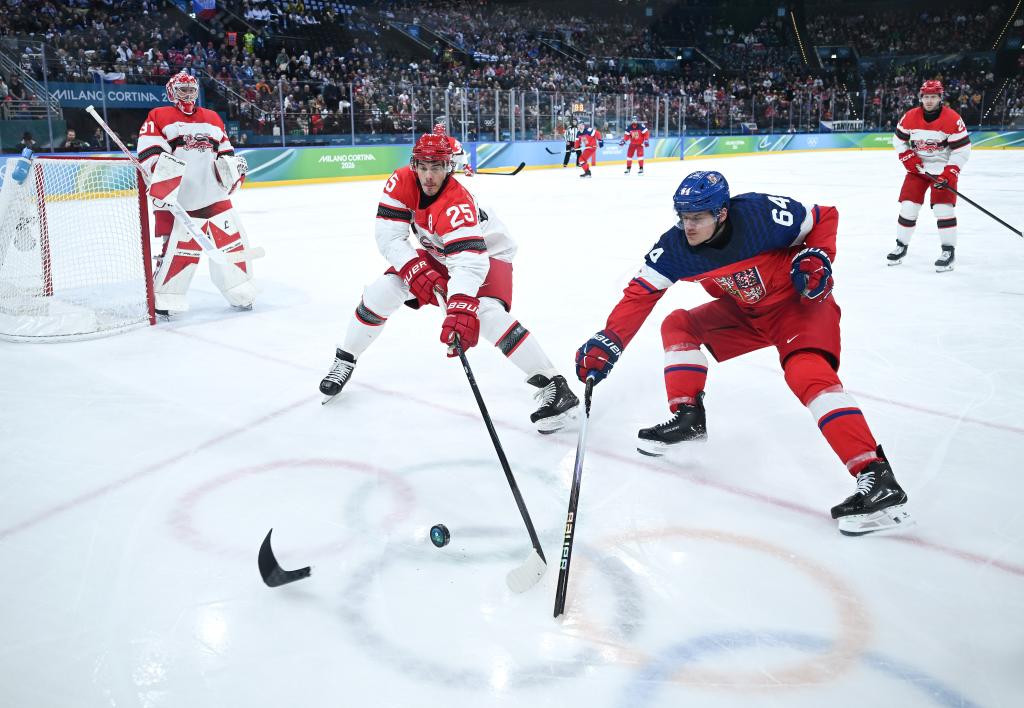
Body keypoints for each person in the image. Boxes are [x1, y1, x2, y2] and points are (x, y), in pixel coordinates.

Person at [574, 170, 910, 536]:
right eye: (683, 217)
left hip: (798, 307)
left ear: (722, 213)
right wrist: (610, 339)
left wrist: (817, 257)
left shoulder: (761, 216)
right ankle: (688, 417)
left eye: (697, 217)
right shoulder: (675, 248)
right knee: (679, 325)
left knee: (807, 374)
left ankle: (876, 476)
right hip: (747, 313)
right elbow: (639, 294)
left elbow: (824, 216)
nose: (688, 227)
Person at [319, 133, 579, 433]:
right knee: (385, 290)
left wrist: (459, 307)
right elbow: (389, 236)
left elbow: (468, 263)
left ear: (448, 167)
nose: (429, 176)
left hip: (487, 253)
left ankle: (554, 384)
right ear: (414, 165)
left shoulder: (456, 203)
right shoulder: (401, 181)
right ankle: (345, 359)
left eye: (437, 167)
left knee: (484, 314)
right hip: (438, 251)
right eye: (423, 167)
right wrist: (414, 269)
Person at [136, 71, 255, 316]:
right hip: (179, 199)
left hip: (214, 195)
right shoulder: (159, 116)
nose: (188, 94)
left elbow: (225, 152)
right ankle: (167, 295)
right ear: (171, 92)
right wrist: (162, 178)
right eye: (182, 89)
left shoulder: (212, 118)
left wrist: (232, 171)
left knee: (231, 243)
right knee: (179, 250)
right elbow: (149, 151)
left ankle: (239, 287)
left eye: (191, 90)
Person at [887, 80, 970, 272]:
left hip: (942, 171)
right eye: (926, 97)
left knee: (943, 209)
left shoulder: (952, 119)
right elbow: (898, 140)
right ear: (921, 98)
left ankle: (948, 252)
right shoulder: (910, 117)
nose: (929, 100)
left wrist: (950, 173)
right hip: (918, 170)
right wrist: (908, 156)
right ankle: (901, 246)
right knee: (908, 207)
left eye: (933, 97)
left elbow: (962, 150)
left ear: (940, 98)